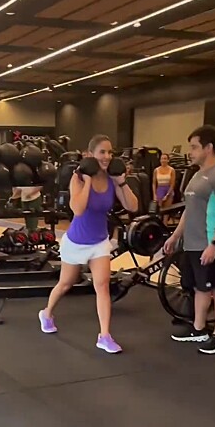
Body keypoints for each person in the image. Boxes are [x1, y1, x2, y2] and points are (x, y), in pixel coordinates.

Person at [38, 134, 138, 353]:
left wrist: (121, 181)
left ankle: (104, 335)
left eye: (110, 152)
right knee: (66, 283)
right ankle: (46, 313)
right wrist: (89, 179)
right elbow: (78, 209)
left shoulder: (112, 178)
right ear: (90, 154)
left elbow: (132, 206)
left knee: (102, 286)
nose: (107, 156)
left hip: (100, 241)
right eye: (102, 152)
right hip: (76, 241)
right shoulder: (78, 179)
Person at [164, 124, 215, 354]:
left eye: (195, 147)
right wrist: (176, 235)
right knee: (199, 289)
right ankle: (199, 329)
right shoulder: (198, 174)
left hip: (210, 243)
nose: (191, 152)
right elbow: (190, 209)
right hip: (193, 243)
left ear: (209, 147)